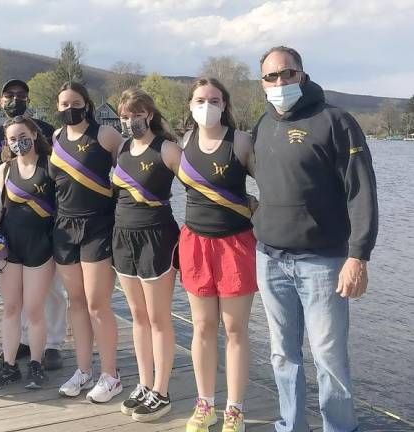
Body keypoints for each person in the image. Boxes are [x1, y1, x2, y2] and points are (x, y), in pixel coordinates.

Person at [253, 46, 378, 432]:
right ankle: (291, 425)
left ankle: (339, 428)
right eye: (271, 77)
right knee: (282, 355)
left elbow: (362, 191)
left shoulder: (336, 121)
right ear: (262, 84)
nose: (279, 82)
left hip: (322, 262)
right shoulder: (262, 124)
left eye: (286, 74)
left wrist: (358, 256)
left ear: (302, 76)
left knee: (328, 356)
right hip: (270, 259)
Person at [176, 78, 256, 432]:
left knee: (234, 329)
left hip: (235, 245)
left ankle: (234, 409)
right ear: (190, 104)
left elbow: (275, 185)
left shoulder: (239, 142)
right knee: (203, 327)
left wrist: (256, 208)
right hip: (195, 243)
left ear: (225, 105)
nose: (206, 105)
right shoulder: (183, 141)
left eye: (214, 99)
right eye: (199, 99)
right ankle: (205, 404)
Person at [50, 82, 125, 403]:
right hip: (64, 228)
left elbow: (134, 170)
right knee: (75, 302)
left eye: (76, 103)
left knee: (97, 304)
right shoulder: (55, 138)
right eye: (64, 104)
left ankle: (111, 375)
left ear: (87, 104)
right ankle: (84, 370)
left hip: (98, 226)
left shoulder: (105, 136)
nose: (70, 109)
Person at [111, 88, 180, 422]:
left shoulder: (167, 149)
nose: (129, 121)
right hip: (123, 237)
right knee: (137, 315)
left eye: (134, 115)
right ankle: (144, 382)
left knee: (158, 317)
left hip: (157, 237)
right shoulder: (123, 148)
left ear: (149, 115)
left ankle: (162, 390)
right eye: (124, 117)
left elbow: (199, 188)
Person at [0, 79, 65, 370]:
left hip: (44, 228)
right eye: (9, 95)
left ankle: (54, 344)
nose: (15, 99)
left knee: (53, 292)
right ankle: (22, 341)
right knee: (18, 298)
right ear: (1, 101)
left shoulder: (45, 128)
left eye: (21, 95)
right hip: (14, 218)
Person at [0, 115, 56, 390]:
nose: (17, 143)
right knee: (11, 308)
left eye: (22, 136)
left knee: (34, 310)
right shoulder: (4, 169)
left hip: (41, 247)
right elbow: (1, 207)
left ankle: (36, 365)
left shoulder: (50, 166)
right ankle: (9, 366)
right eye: (12, 139)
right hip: (9, 247)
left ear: (34, 134)